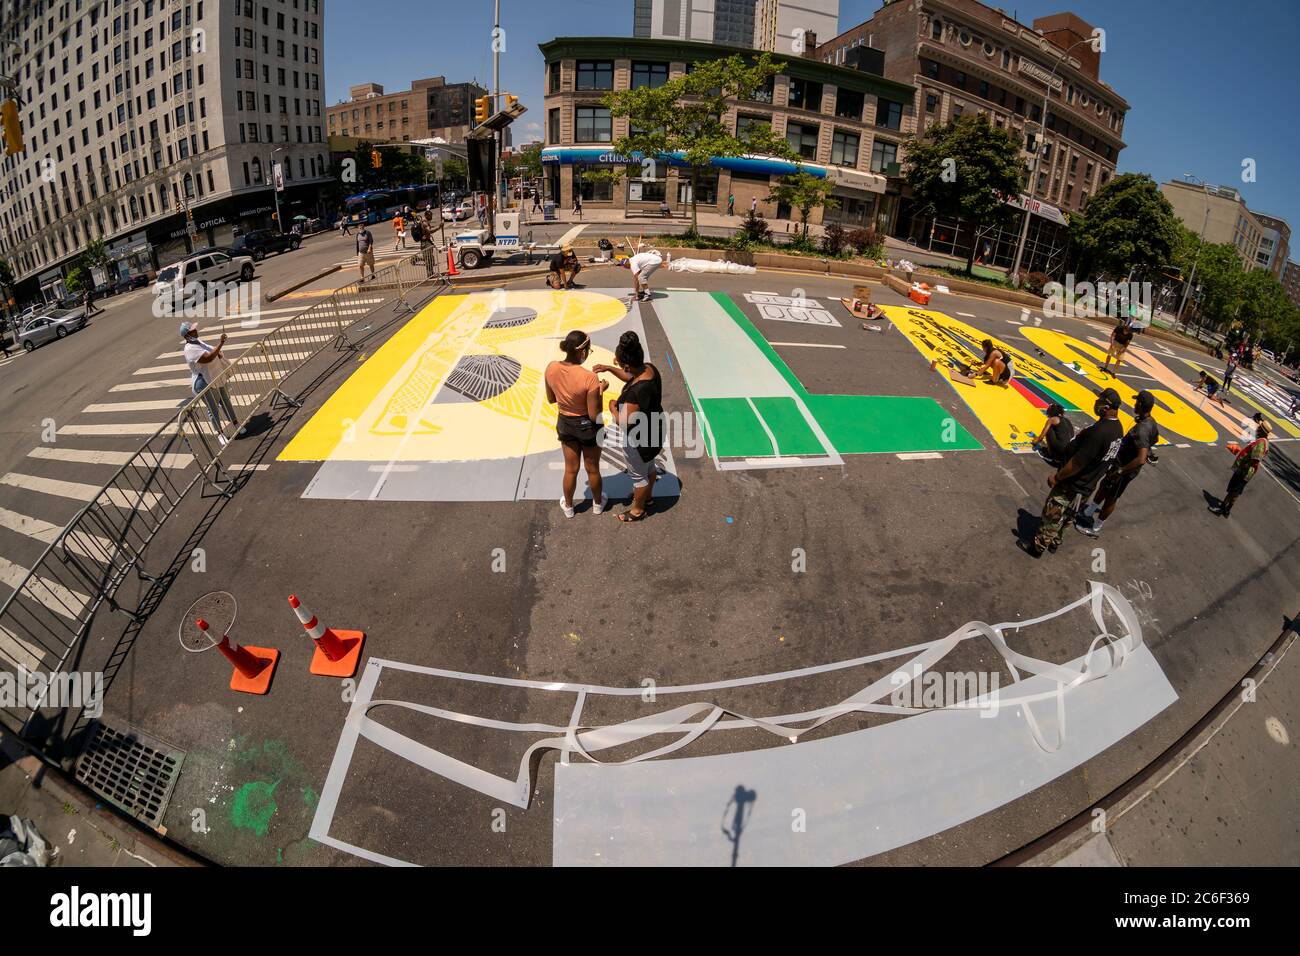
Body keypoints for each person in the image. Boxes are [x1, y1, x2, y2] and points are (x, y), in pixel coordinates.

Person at [1025, 387, 1124, 557]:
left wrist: (1057, 476)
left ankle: (1038, 547)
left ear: (1106, 407)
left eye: (1099, 401)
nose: (1096, 403)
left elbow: (1078, 462)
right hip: (1087, 485)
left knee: (1053, 515)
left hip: (1072, 484)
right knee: (1069, 516)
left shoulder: (1100, 432)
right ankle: (1055, 542)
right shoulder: (1117, 428)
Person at [596, 331, 663, 522]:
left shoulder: (635, 393)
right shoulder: (649, 369)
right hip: (654, 430)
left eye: (618, 363)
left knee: (638, 476)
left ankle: (637, 510)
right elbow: (629, 377)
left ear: (626, 365)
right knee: (649, 467)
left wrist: (611, 407)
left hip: (639, 439)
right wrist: (609, 368)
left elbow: (624, 421)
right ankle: (647, 498)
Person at [1077, 390, 1159, 537]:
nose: (1134, 404)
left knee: (1111, 497)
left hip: (1124, 469)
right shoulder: (1151, 422)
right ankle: (1090, 510)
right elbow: (1155, 439)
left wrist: (1121, 471)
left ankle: (1095, 528)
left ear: (1140, 404)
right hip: (1118, 465)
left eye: (1136, 401)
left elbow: (1141, 459)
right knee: (1104, 486)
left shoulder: (1142, 429)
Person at [544, 330, 608, 518]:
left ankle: (569, 507)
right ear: (583, 352)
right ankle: (597, 505)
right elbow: (593, 413)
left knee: (570, 469)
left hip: (565, 422)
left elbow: (551, 399)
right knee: (592, 468)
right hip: (587, 426)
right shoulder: (589, 378)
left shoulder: (551, 368)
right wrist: (600, 391)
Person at [181, 322, 244, 447]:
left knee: (225, 400)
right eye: (193, 330)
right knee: (212, 408)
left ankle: (235, 423)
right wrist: (220, 344)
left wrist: (218, 351)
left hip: (215, 376)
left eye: (195, 329)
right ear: (187, 336)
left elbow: (212, 352)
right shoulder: (190, 349)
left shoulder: (198, 342)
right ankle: (220, 433)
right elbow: (208, 358)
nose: (196, 330)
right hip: (203, 382)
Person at [1211, 418, 1271, 517]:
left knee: (1233, 490)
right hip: (1246, 471)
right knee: (1236, 491)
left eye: (1259, 427)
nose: (1257, 428)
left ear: (1261, 430)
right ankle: (1227, 510)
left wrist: (1243, 466)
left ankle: (1221, 508)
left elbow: (1255, 459)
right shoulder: (1264, 441)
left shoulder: (1261, 443)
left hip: (1244, 471)